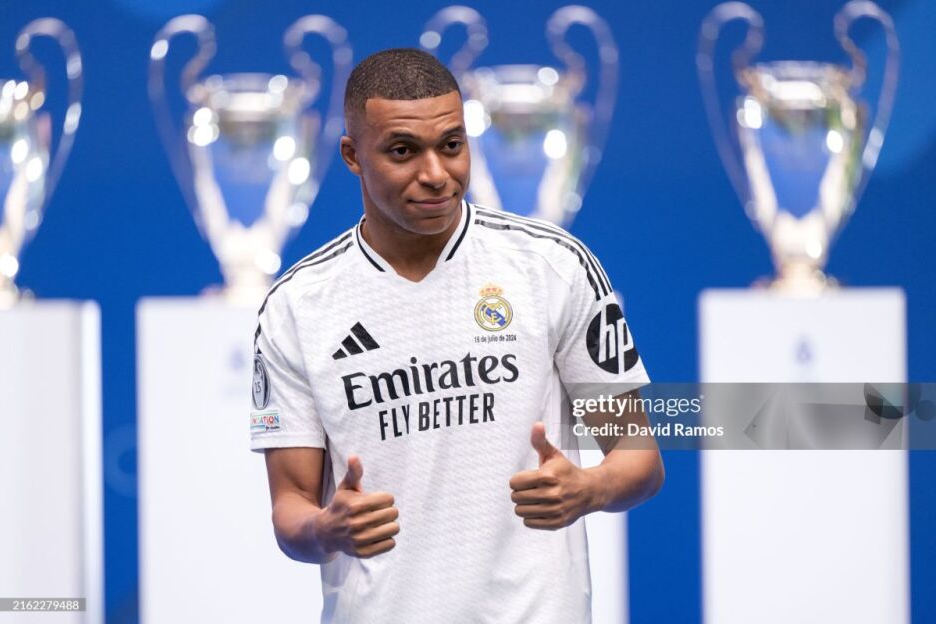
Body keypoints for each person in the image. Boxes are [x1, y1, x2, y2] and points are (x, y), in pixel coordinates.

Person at [250, 48, 664, 623]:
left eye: (451, 145)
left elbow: (640, 458)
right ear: (352, 156)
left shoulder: (553, 266)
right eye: (403, 151)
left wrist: (588, 489)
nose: (436, 174)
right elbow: (290, 508)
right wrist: (326, 527)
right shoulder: (297, 306)